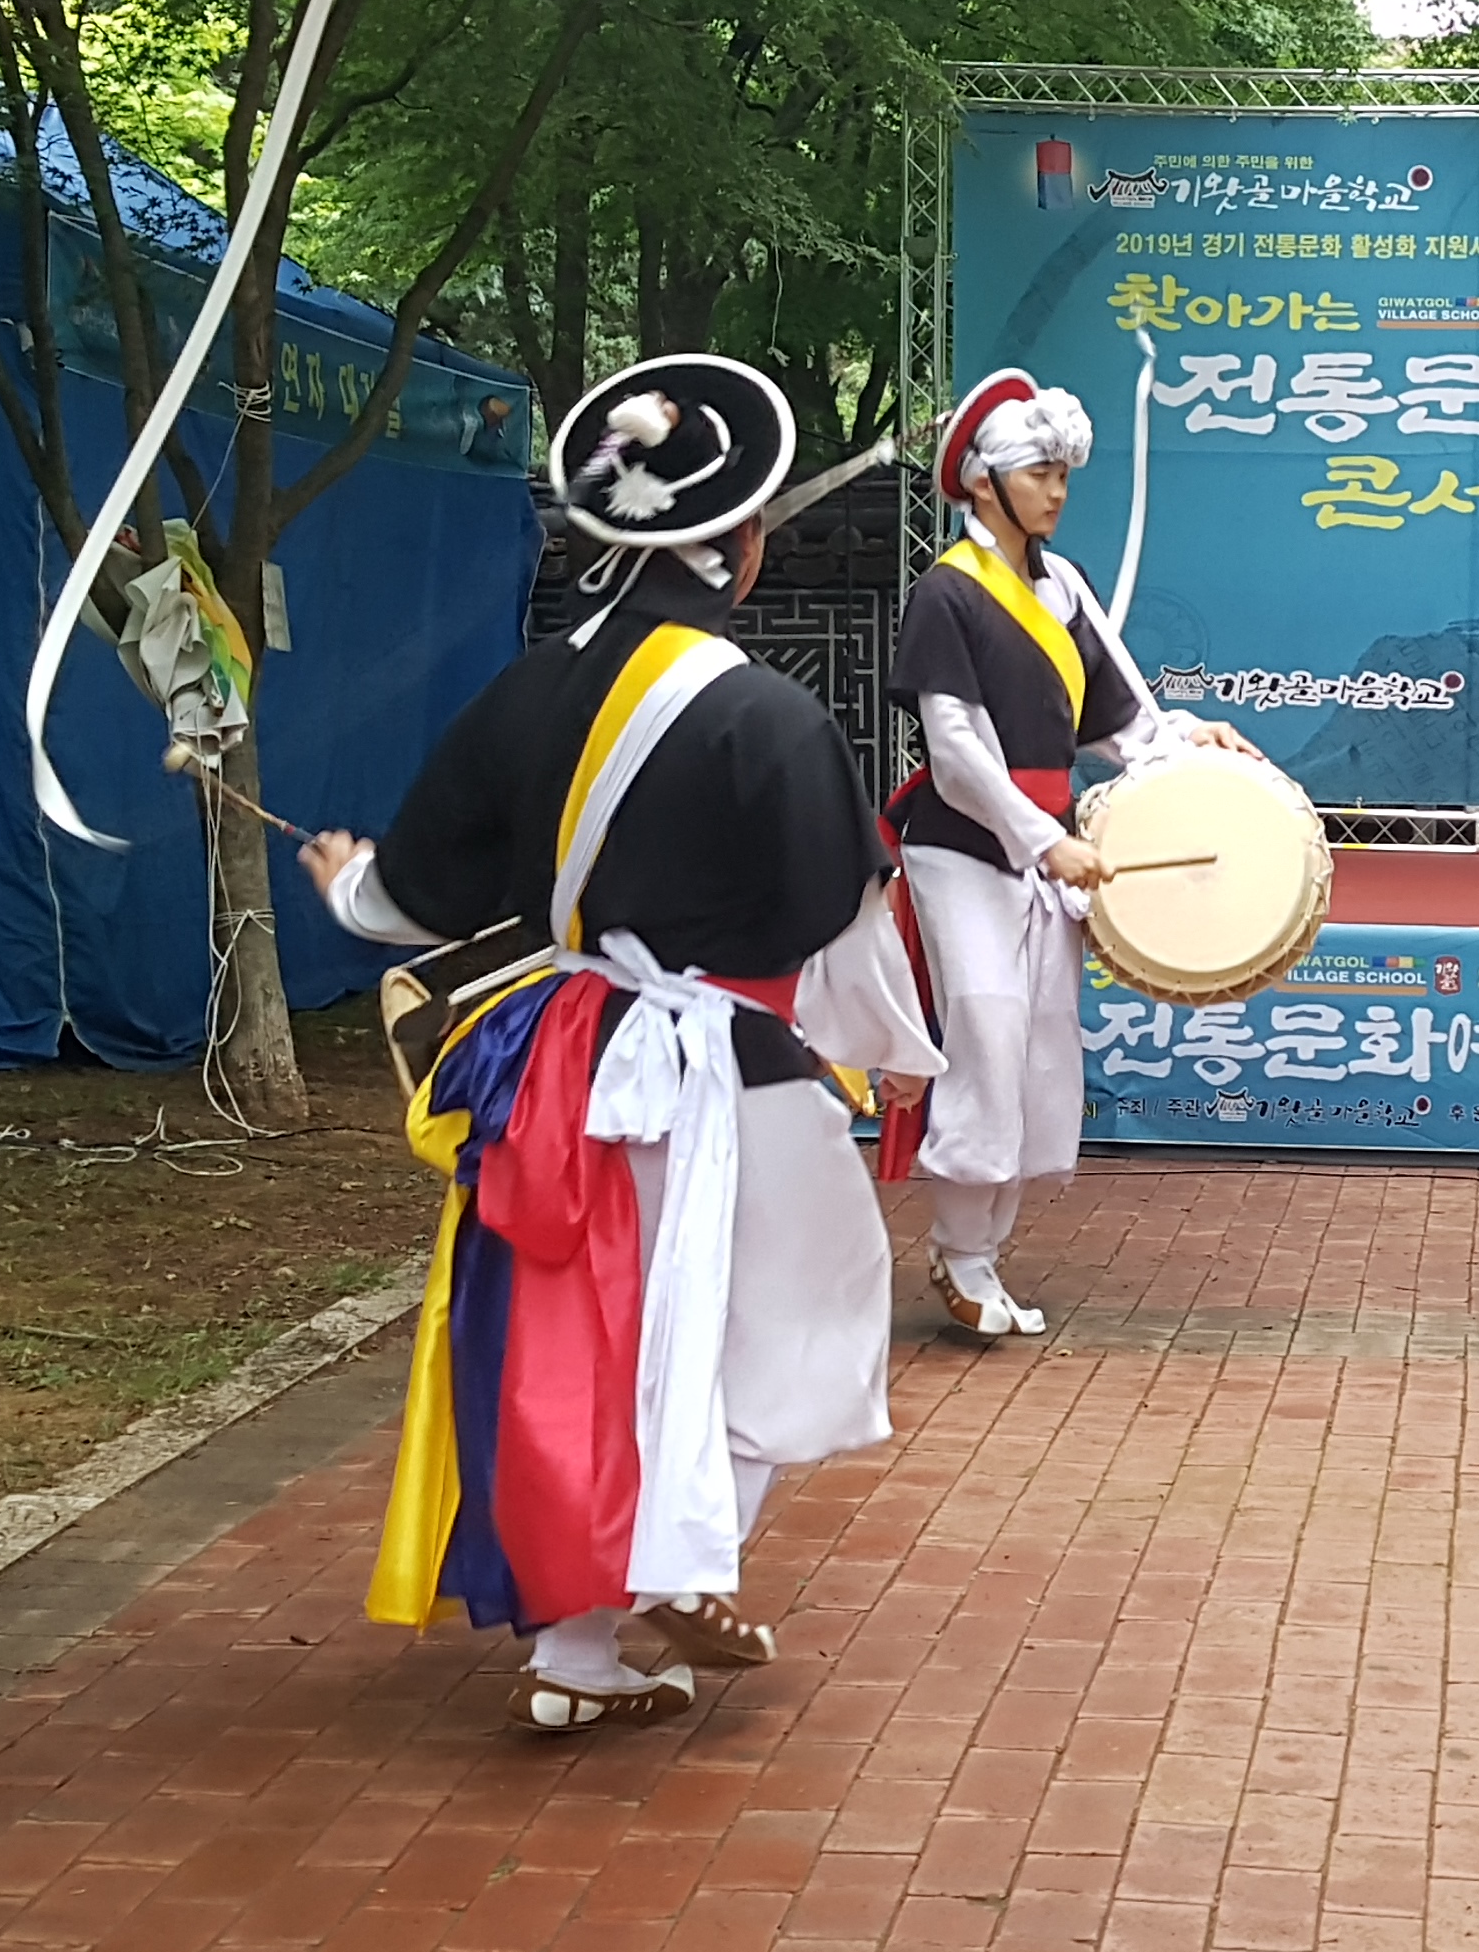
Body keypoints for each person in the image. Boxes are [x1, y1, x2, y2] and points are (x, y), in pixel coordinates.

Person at [301, 353, 940, 1734]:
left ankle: (580, 1657)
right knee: (809, 1318)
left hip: (570, 1064)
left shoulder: (527, 691)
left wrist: (347, 888)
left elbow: (414, 894)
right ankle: (676, 1556)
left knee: (599, 1344)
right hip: (731, 1065)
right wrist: (895, 1053)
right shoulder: (772, 716)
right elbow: (837, 917)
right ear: (745, 545)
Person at [883, 368, 1260, 1341]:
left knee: (1040, 1043)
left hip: (1046, 851)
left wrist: (1191, 741)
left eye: (1061, 475)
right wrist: (1045, 839)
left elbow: (1126, 719)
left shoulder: (1066, 586)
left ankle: (983, 1253)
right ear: (983, 483)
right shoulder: (946, 593)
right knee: (988, 1026)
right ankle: (960, 1252)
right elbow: (957, 751)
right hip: (965, 846)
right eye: (1038, 474)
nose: (1056, 492)